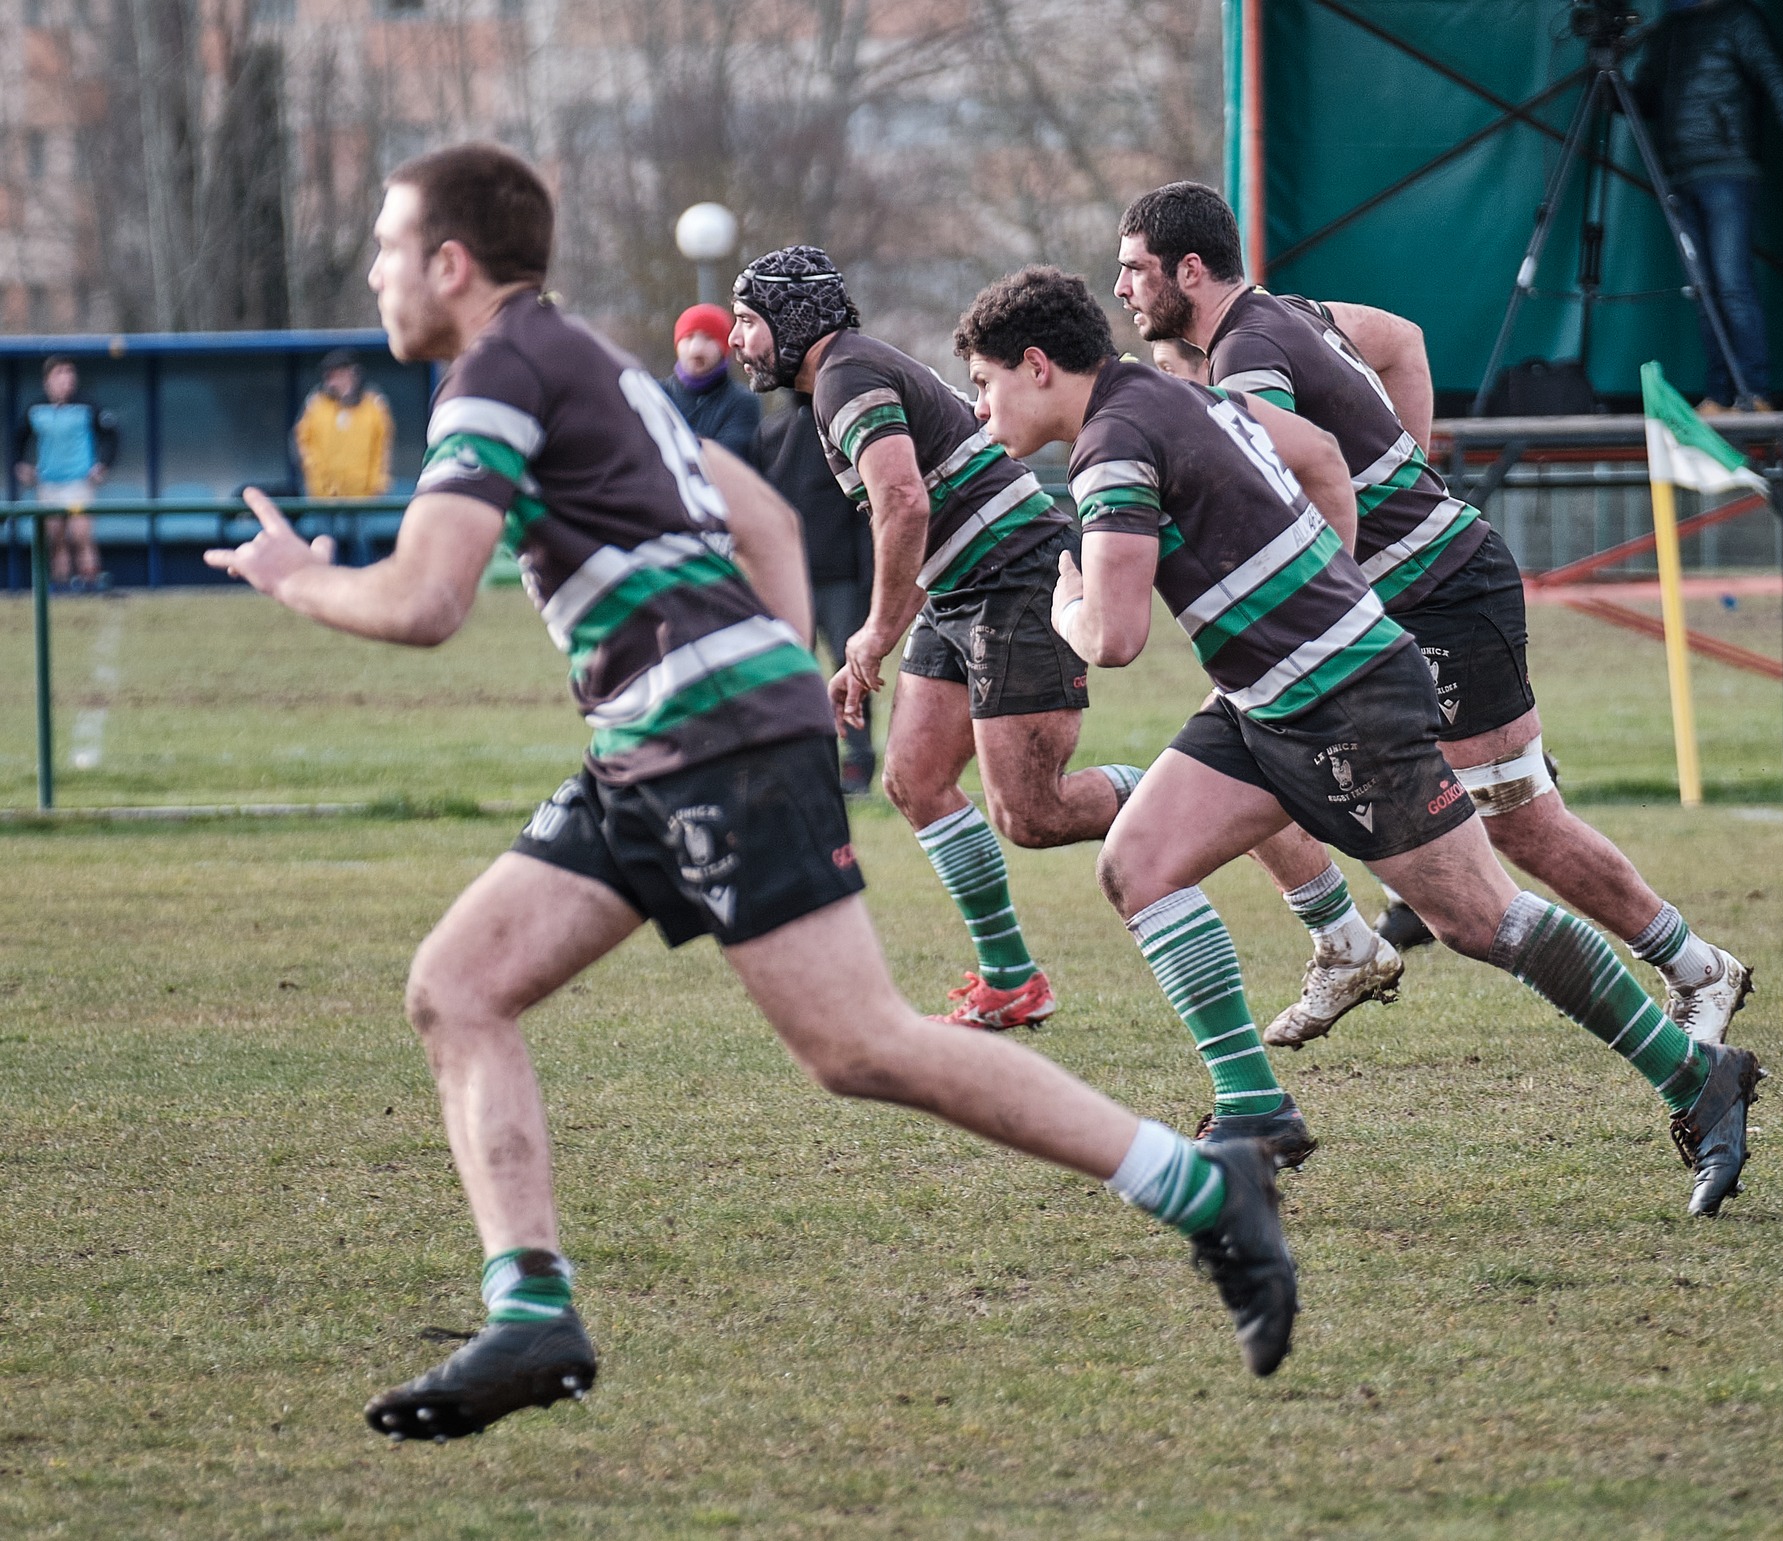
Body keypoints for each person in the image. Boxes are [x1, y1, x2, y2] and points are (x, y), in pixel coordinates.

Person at [202, 145, 1299, 1437]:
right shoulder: (590, 359)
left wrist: (295, 577)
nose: (375, 273)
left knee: (860, 1045)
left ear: (449, 263)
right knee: (457, 986)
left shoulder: (498, 371)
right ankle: (531, 1309)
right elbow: (767, 526)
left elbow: (428, 597)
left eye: (389, 248)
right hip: (663, 736)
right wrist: (773, 675)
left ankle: (1204, 1188)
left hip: (704, 735)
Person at [954, 264, 1764, 1218]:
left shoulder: (1113, 446)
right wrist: (1325, 588)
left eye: (983, 383)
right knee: (1139, 865)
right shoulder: (1179, 392)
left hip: (1343, 701)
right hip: (1269, 696)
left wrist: (1069, 605)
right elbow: (1322, 461)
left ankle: (1696, 1076)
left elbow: (1116, 637)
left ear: (1037, 365)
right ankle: (1255, 1111)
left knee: (1481, 919)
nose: (978, 409)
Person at [1115, 182, 1756, 1068]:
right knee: (1243, 742)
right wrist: (1409, 480)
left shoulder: (1247, 356)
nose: (1123, 288)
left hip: (1445, 595)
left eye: (1135, 268)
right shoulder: (1291, 313)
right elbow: (1404, 343)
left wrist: (1365, 539)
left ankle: (1699, 968)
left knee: (1519, 823)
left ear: (1190, 269)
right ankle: (1344, 941)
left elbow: (1297, 480)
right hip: (1394, 600)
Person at [728, 245, 1145, 1030]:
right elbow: (932, 512)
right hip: (961, 584)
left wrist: (873, 635)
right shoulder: (842, 376)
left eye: (749, 320)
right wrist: (879, 638)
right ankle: (1011, 979)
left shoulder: (846, 378)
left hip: (1018, 574)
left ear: (794, 318)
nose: (736, 339)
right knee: (914, 778)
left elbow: (905, 504)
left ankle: (1194, 793)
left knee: (1034, 812)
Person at [1635, 0, 1783, 412]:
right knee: (1705, 294)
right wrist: (1611, 86)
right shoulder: (1668, 33)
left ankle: (1754, 394)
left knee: (1731, 287)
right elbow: (1647, 99)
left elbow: (1775, 78)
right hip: (1680, 176)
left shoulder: (1738, 20)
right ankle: (1720, 394)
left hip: (1727, 172)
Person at [755, 392, 876, 793]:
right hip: (788, 581)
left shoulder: (839, 433)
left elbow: (862, 509)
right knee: (790, 676)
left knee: (852, 669)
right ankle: (800, 766)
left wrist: (868, 580)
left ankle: (857, 763)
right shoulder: (770, 433)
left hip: (842, 580)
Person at [12, 355, 115, 591]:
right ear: (47, 380)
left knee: (81, 535)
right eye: (60, 374)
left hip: (79, 483)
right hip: (49, 484)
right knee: (56, 539)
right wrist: (21, 464)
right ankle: (61, 589)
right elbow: (18, 438)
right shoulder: (36, 409)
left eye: (70, 373)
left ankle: (90, 585)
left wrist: (103, 464)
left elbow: (111, 434)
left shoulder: (87, 406)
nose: (67, 379)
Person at [293, 348, 394, 501]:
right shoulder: (316, 406)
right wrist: (319, 482)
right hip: (323, 500)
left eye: (339, 376)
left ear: (353, 374)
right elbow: (303, 445)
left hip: (365, 500)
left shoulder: (374, 406)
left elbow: (383, 449)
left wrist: (378, 485)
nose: (333, 383)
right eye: (329, 377)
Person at [662, 303, 761, 459]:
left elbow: (728, 459)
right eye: (688, 337)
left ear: (724, 348)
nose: (696, 349)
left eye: (708, 338)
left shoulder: (742, 403)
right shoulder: (654, 393)